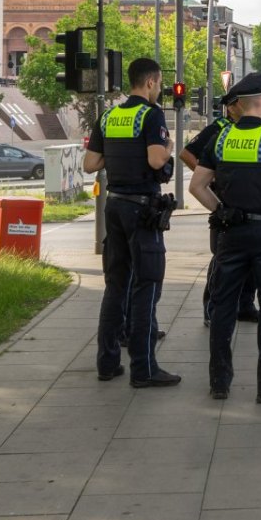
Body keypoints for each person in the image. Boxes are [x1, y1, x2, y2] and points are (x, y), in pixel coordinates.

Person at [189, 72, 261, 403]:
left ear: (238, 107)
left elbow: (196, 186)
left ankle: (219, 382)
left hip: (231, 232)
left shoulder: (221, 139)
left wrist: (222, 209)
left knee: (223, 306)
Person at [84, 57, 181, 388]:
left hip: (114, 206)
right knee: (146, 286)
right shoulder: (150, 115)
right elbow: (156, 159)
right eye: (160, 84)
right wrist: (168, 146)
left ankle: (107, 362)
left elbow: (90, 163)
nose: (160, 90)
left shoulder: (110, 116)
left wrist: (119, 155)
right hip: (142, 209)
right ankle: (144, 368)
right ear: (151, 82)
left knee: (115, 286)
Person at [181, 92, 258, 326]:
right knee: (222, 259)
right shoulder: (219, 128)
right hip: (224, 202)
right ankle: (211, 309)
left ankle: (245, 306)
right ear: (231, 107)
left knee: (253, 259)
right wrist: (210, 175)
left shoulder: (256, 128)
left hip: (251, 202)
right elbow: (187, 154)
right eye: (241, 104)